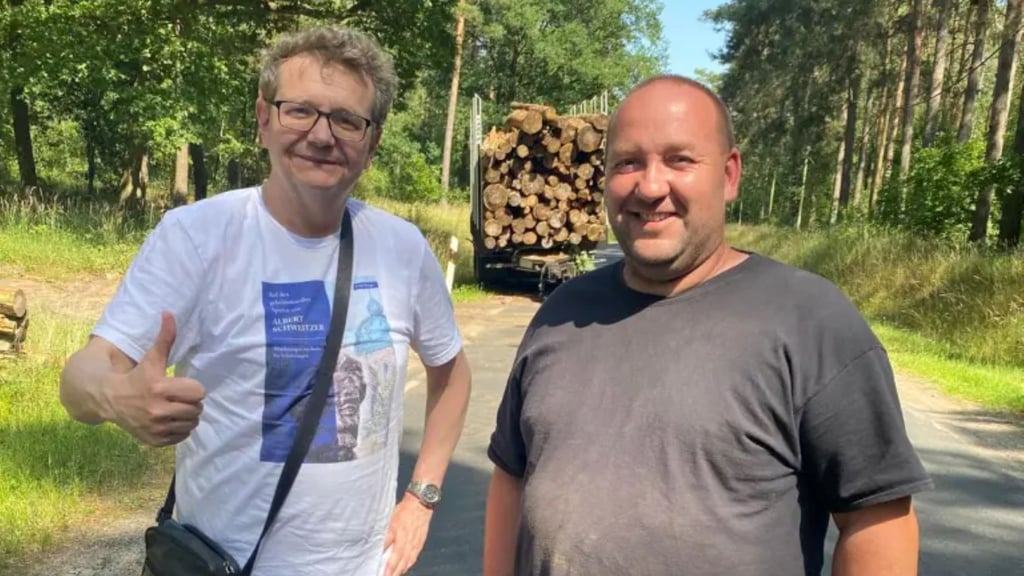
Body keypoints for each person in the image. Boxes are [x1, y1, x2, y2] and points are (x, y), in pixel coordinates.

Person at [59, 25, 471, 576]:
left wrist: (422, 497)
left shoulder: (402, 249)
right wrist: (116, 398)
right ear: (263, 120)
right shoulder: (197, 237)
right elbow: (79, 379)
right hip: (228, 563)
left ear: (372, 144)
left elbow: (452, 373)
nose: (321, 136)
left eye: (347, 120)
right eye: (300, 111)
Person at [483, 75, 933, 576]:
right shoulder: (561, 313)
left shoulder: (809, 321)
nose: (650, 186)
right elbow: (512, 476)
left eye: (679, 160)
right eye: (628, 162)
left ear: (729, 174)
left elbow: (878, 519)